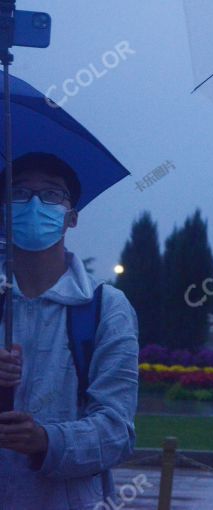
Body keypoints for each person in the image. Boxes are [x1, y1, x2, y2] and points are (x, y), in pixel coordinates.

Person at [0, 153, 139, 509]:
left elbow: (117, 432)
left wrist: (45, 440)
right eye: (18, 193)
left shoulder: (105, 307)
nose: (33, 204)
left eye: (50, 195)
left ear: (71, 217)